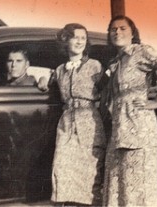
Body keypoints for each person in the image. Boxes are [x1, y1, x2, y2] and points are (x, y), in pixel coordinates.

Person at [102, 15, 157, 206]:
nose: (117, 32)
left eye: (123, 28)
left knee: (139, 186)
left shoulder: (141, 52)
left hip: (139, 130)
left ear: (132, 32)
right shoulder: (115, 62)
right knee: (120, 185)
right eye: (113, 29)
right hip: (119, 132)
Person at [39, 23, 107, 206]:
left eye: (83, 38)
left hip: (89, 123)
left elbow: (107, 90)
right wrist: (43, 80)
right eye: (75, 37)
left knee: (89, 172)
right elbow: (48, 80)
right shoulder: (60, 69)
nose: (79, 41)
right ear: (65, 40)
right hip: (67, 123)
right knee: (61, 167)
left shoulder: (95, 66)